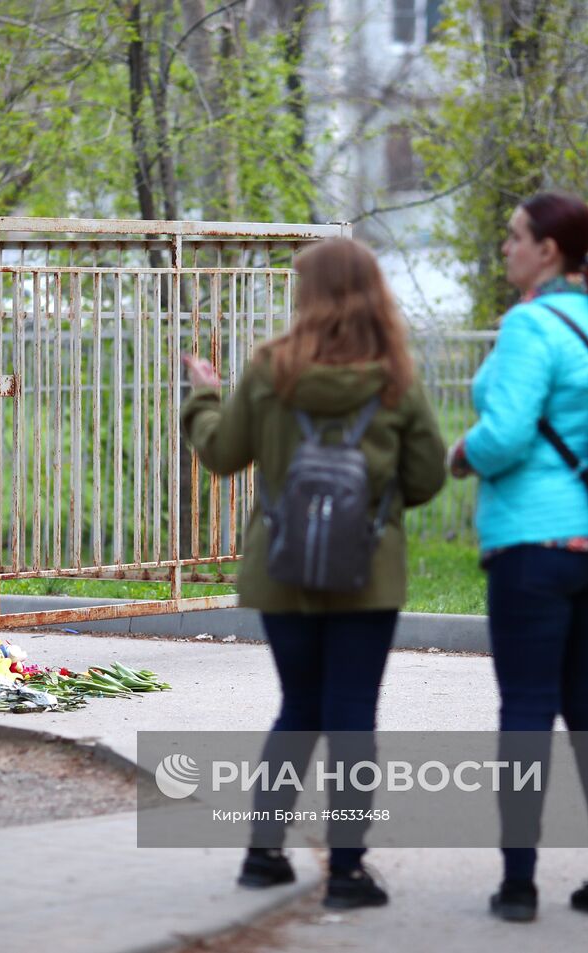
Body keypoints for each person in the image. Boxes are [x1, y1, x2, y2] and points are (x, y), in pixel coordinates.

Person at [180, 237, 446, 909]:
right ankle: (348, 874)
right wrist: (372, 504)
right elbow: (427, 475)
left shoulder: (270, 371)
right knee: (353, 714)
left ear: (310, 296)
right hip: (368, 575)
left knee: (299, 707)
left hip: (284, 571)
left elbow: (220, 452)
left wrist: (203, 397)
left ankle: (262, 855)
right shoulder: (395, 379)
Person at [447, 192, 588, 923]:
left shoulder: (532, 324)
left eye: (515, 237)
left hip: (536, 545)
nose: (506, 248)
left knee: (527, 707)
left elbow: (505, 437)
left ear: (548, 251)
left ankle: (520, 884)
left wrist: (460, 453)